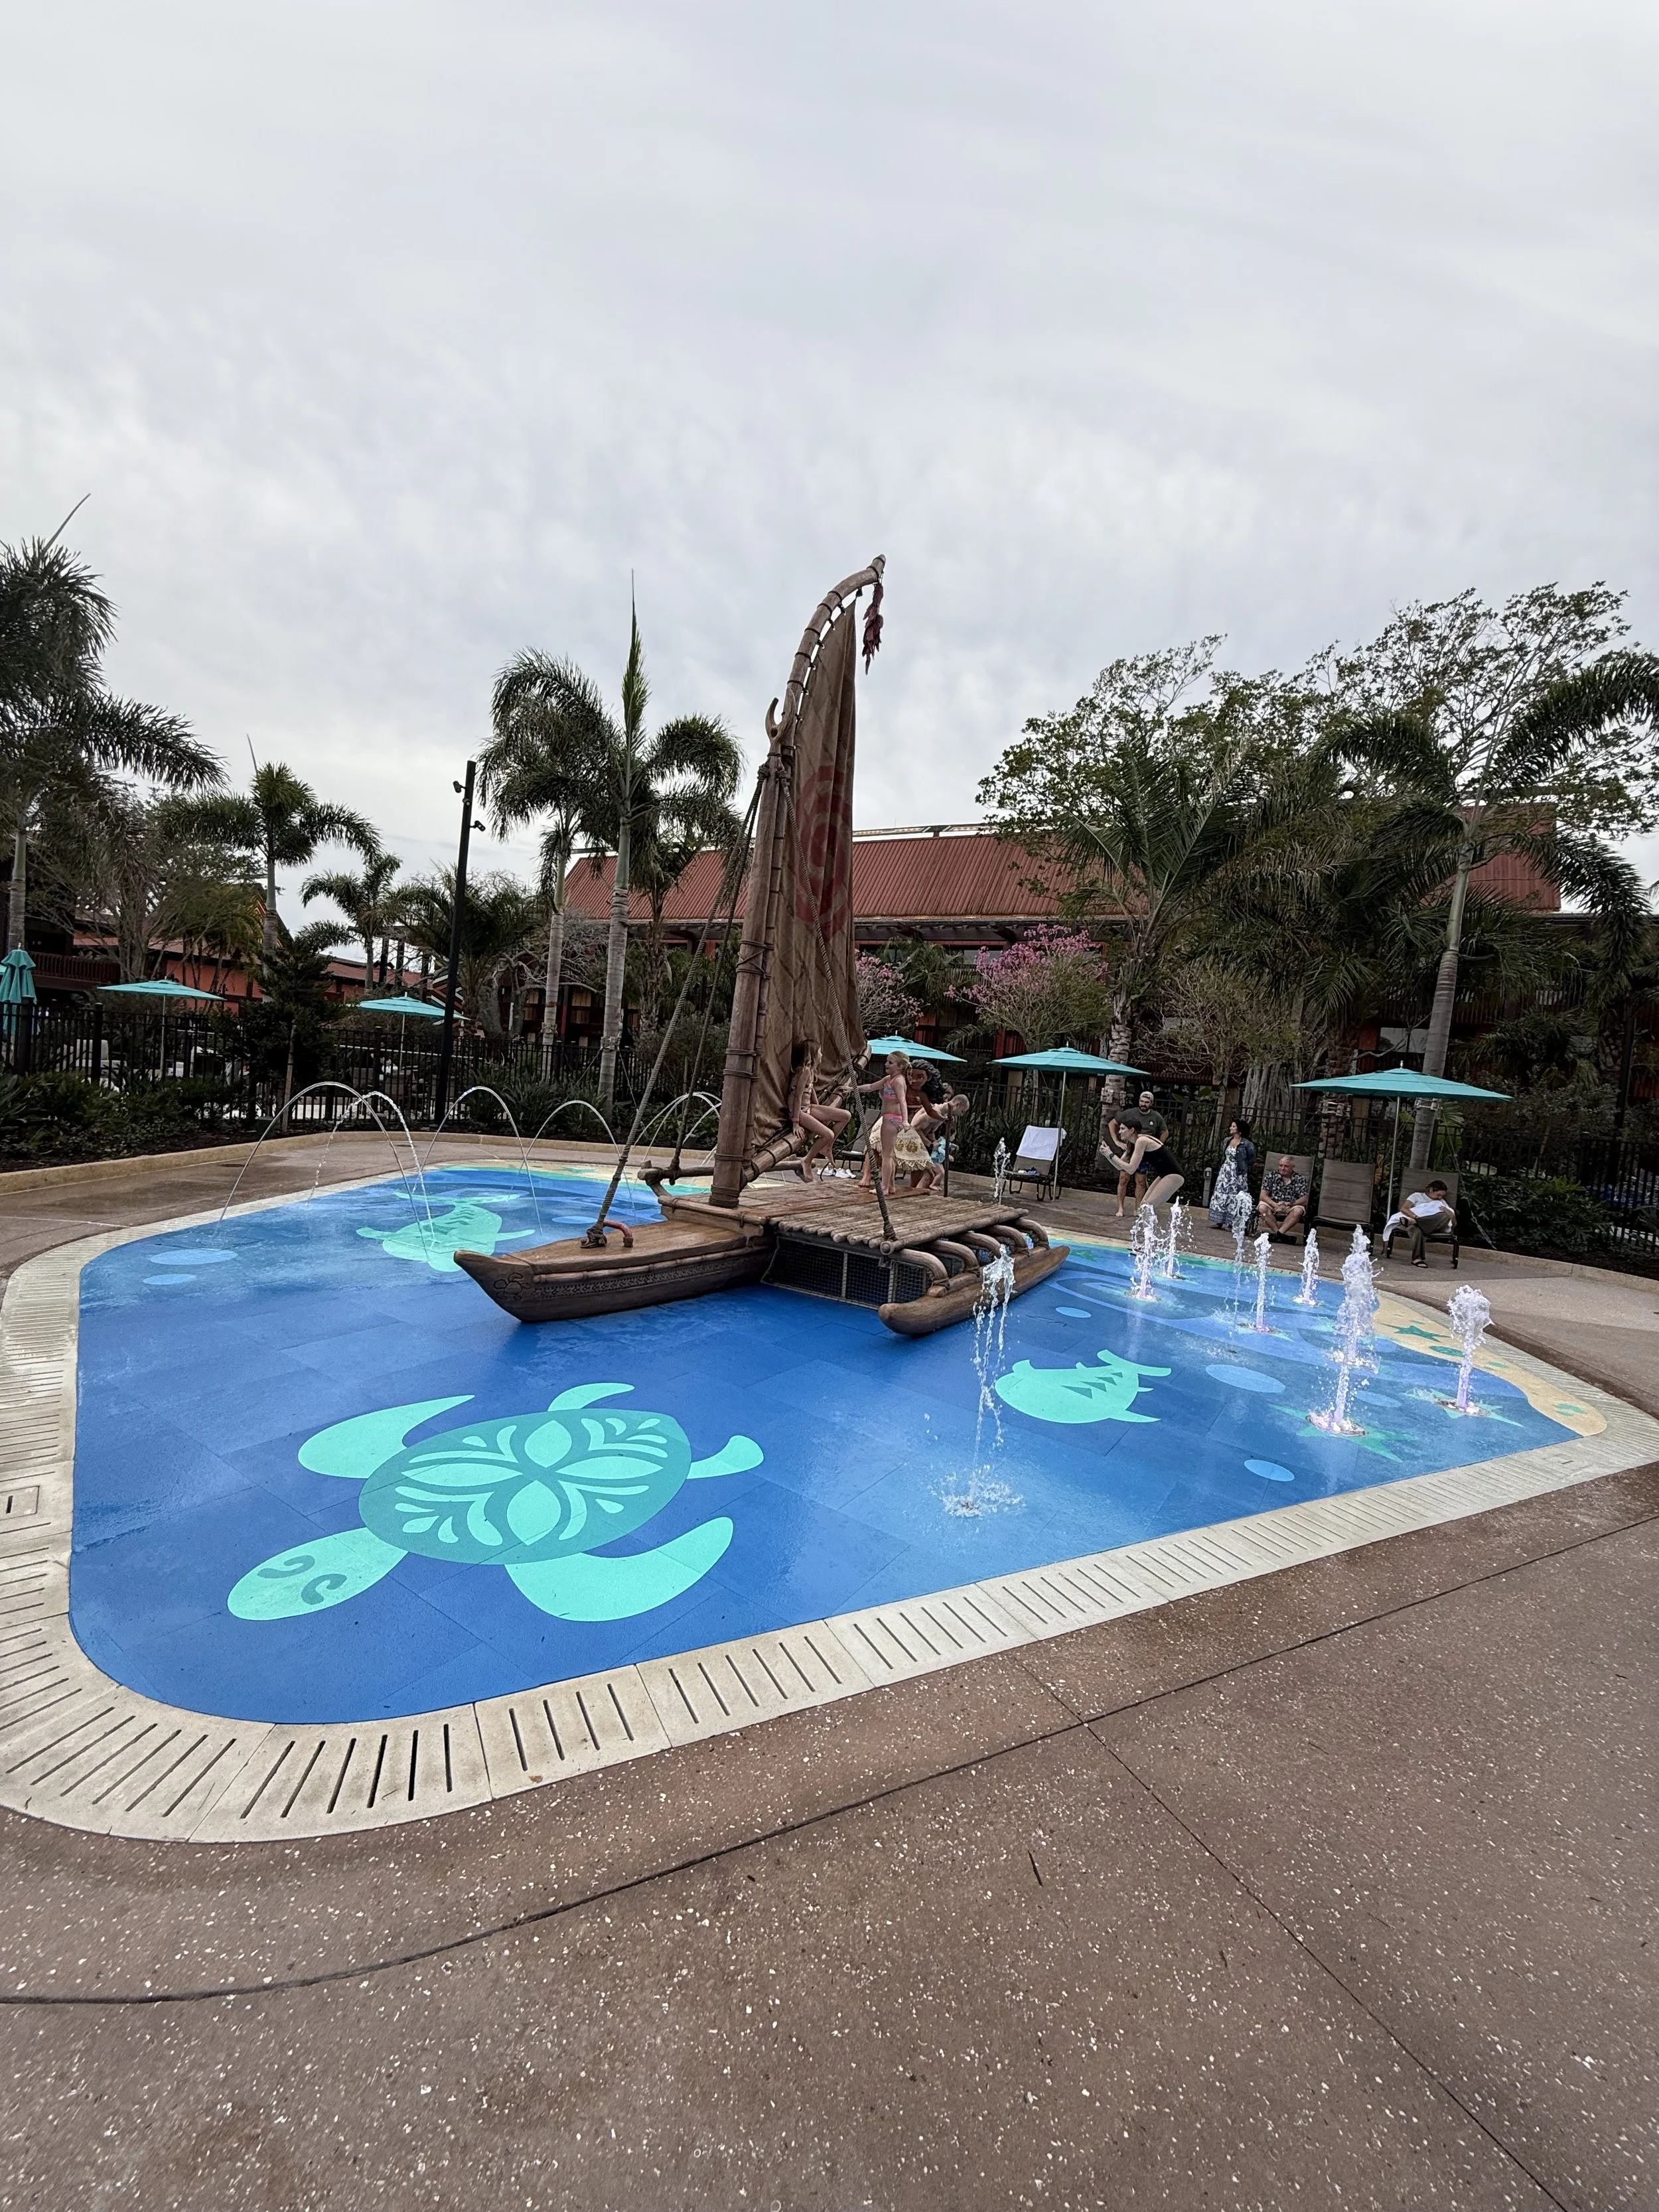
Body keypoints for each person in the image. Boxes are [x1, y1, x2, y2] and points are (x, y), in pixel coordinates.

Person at [1098, 1119, 1184, 1223]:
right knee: (1144, 1207)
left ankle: (1155, 1232)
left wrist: (1111, 1155)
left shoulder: (1142, 1141)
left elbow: (1131, 1169)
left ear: (1132, 1130)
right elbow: (1120, 1167)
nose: (1119, 1132)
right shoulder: (1133, 1144)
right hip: (1164, 1175)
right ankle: (1150, 1232)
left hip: (1174, 1175)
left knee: (1147, 1206)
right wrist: (1108, 1155)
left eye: (1122, 1129)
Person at [788, 1041, 851, 1181]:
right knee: (828, 1134)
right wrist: (795, 1123)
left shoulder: (811, 1071)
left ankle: (827, 1147)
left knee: (846, 1116)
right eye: (820, 1052)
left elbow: (811, 1091)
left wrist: (819, 1108)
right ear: (812, 1055)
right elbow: (797, 1097)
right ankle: (807, 1160)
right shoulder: (804, 1071)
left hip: (808, 1108)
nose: (822, 1055)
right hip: (799, 1111)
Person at [853, 1050, 912, 1197]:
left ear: (900, 1067)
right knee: (889, 1154)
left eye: (890, 1062)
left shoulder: (898, 1081)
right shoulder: (888, 1079)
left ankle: (884, 1187)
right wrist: (852, 1089)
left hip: (892, 1119)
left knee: (886, 1156)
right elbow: (870, 1087)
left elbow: (903, 1101)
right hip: (890, 1118)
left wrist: (905, 1121)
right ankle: (891, 1186)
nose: (886, 1064)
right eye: (887, 1061)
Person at [1206, 1118, 1257, 1228]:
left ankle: (1232, 1222)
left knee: (1235, 1196)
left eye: (1233, 1126)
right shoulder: (1227, 1141)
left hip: (1238, 1173)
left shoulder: (1247, 1144)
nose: (1231, 1128)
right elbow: (1224, 1155)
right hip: (1225, 1172)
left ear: (1240, 1130)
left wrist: (1243, 1167)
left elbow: (1251, 1159)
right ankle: (1219, 1221)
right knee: (1222, 1195)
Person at [1393, 1179, 1456, 1266]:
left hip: (1436, 1227)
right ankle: (1417, 1259)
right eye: (1438, 1195)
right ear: (1431, 1190)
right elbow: (1404, 1209)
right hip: (1418, 1225)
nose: (1440, 1198)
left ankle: (1416, 1222)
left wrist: (1451, 1214)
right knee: (1416, 1229)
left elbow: (1454, 1224)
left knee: (1445, 1216)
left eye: (1442, 1196)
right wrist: (1415, 1216)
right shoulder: (1417, 1196)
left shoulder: (1442, 1202)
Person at [1257, 1154, 1309, 1240]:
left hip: (1290, 1205)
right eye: (1281, 1166)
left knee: (1298, 1211)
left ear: (1293, 1167)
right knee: (1262, 1208)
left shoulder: (1300, 1179)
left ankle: (1279, 1234)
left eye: (1286, 1166)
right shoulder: (1271, 1176)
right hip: (1273, 1203)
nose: (1283, 1168)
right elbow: (1263, 1195)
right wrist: (1274, 1204)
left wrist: (1289, 1204)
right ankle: (1280, 1235)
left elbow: (1304, 1200)